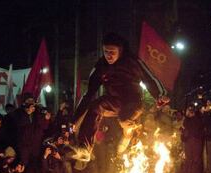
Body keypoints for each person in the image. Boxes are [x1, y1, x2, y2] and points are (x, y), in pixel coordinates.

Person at [71, 32, 169, 162]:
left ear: (120, 51)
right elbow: (88, 93)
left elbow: (149, 78)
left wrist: (160, 95)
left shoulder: (132, 61)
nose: (108, 55)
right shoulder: (101, 66)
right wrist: (75, 119)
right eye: (106, 51)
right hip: (114, 102)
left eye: (112, 52)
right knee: (96, 106)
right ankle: (85, 148)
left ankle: (129, 132)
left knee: (124, 118)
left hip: (133, 102)